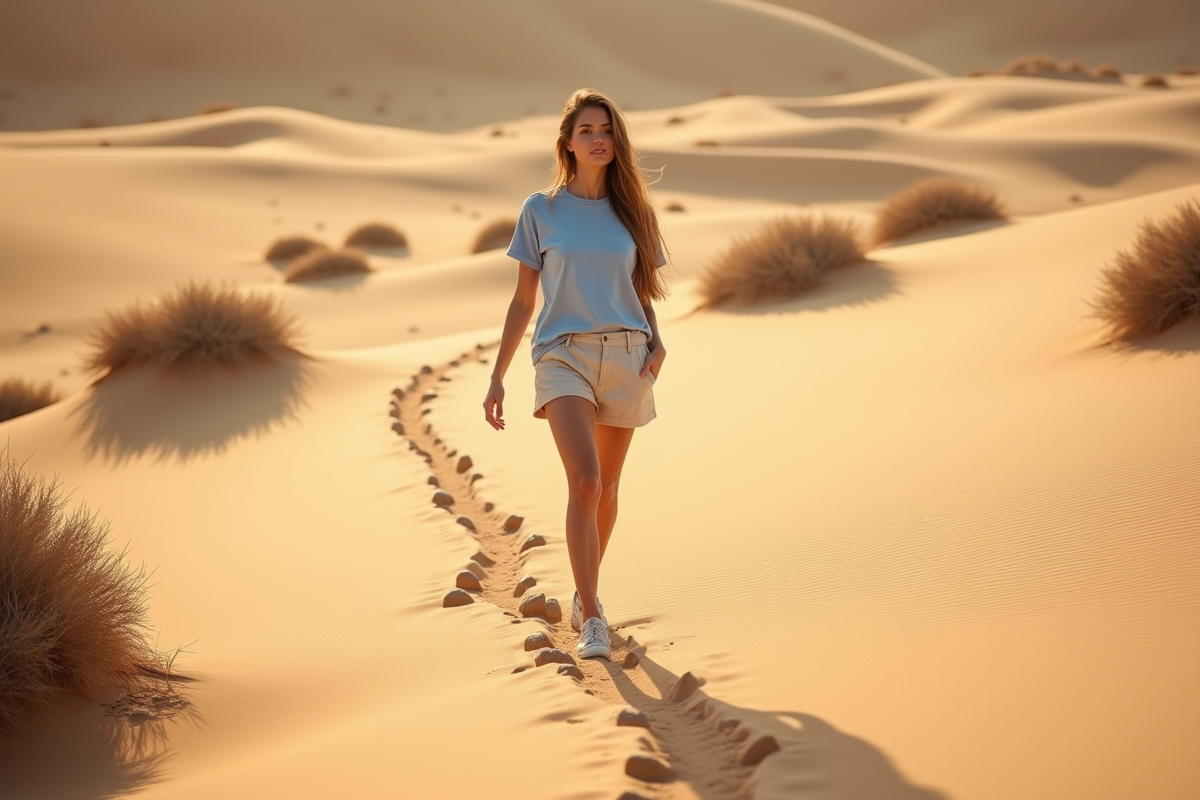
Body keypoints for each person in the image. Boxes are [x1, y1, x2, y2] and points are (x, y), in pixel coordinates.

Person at [482, 88, 668, 661]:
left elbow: (641, 291)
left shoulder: (633, 212)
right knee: (585, 481)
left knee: (609, 489)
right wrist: (498, 376)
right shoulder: (540, 210)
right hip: (563, 354)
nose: (597, 139)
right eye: (586, 130)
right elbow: (521, 301)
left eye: (606, 130)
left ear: (617, 142)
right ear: (566, 142)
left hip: (628, 355)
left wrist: (657, 342)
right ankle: (591, 613)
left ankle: (586, 588)